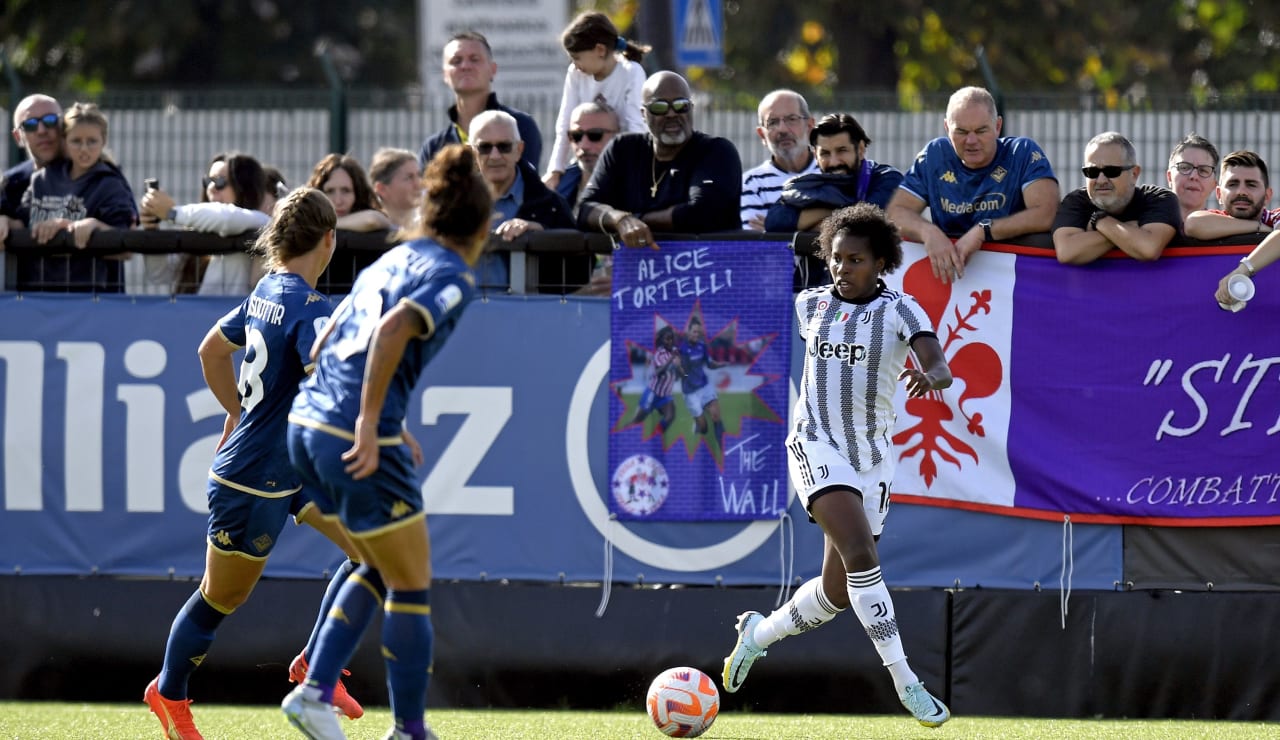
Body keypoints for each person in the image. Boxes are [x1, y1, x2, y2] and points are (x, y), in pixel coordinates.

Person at [280, 144, 493, 740]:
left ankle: (317, 689)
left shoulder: (391, 260)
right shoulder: (451, 273)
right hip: (350, 432)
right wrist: (372, 422)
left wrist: (380, 417)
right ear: (479, 225)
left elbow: (333, 338)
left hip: (308, 424)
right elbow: (395, 327)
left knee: (378, 562)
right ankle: (406, 729)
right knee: (411, 580)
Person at [143, 188, 367, 740]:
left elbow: (210, 351)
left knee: (373, 552)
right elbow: (327, 368)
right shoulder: (312, 308)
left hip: (287, 467)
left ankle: (316, 668)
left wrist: (240, 410)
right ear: (329, 241)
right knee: (222, 597)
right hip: (252, 479)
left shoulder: (269, 289)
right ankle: (168, 692)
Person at [721, 202, 952, 729]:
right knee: (860, 553)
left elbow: (936, 361)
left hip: (870, 460)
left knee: (836, 594)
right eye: (835, 258)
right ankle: (907, 682)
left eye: (854, 260)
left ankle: (756, 635)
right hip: (814, 444)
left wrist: (932, 375)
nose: (841, 269)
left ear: (880, 263)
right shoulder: (811, 306)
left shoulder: (901, 310)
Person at [887, 86, 1059, 284]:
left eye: (981, 130)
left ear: (998, 126)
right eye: (960, 131)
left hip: (1016, 282)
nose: (971, 141)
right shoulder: (934, 155)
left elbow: (1047, 213)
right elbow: (896, 212)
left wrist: (984, 230)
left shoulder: (1021, 152)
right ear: (946, 128)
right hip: (954, 282)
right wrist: (929, 232)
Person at [577, 71, 742, 248]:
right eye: (659, 107)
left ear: (691, 109)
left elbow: (701, 213)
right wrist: (620, 219)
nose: (671, 114)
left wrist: (636, 220)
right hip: (639, 271)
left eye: (681, 105)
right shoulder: (622, 148)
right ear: (643, 114)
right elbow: (586, 209)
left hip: (708, 268)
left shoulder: (716, 150)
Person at [765, 113, 904, 287]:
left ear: (860, 149)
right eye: (825, 153)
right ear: (815, 155)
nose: (834, 162)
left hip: (872, 295)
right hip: (816, 292)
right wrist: (840, 213)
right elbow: (774, 221)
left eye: (842, 151)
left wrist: (810, 222)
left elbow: (864, 226)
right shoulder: (808, 185)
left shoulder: (887, 179)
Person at [17, 101, 137, 292]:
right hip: (37, 295)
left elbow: (127, 247)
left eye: (92, 141)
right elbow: (21, 221)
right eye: (76, 141)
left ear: (104, 141)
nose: (84, 149)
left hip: (90, 300)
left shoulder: (110, 184)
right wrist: (5, 221)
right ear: (64, 140)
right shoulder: (41, 179)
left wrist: (93, 225)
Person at [139, 152, 276, 295]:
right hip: (197, 315)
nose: (211, 188)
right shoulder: (198, 225)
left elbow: (226, 218)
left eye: (220, 182)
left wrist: (171, 213)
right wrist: (151, 229)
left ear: (245, 188)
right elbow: (159, 275)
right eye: (208, 181)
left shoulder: (261, 221)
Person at [470, 110, 576, 291]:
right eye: (485, 147)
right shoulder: (450, 204)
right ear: (473, 153)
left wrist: (541, 234)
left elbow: (578, 271)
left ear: (519, 150)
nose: (495, 155)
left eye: (504, 146)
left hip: (530, 314)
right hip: (465, 313)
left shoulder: (551, 205)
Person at [543, 11, 648, 190]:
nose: (575, 64)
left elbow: (635, 127)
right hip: (586, 162)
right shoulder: (575, 74)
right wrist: (555, 169)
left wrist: (630, 173)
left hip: (622, 163)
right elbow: (565, 124)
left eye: (577, 58)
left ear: (600, 50)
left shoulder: (631, 72)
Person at [418, 30, 542, 172]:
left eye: (474, 59)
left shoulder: (520, 126)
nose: (465, 66)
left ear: (492, 69)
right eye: (456, 61)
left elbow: (527, 188)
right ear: (445, 75)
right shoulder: (433, 147)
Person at [1052, 131, 1181, 264]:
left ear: (1134, 174)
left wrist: (1100, 223)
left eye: (1111, 171)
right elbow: (1066, 252)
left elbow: (1148, 249)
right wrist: (1128, 228)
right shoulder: (1076, 201)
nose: (1101, 180)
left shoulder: (1159, 199)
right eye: (1092, 172)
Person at [306, 153, 396, 292]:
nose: (338, 200)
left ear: (357, 193)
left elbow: (372, 220)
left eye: (346, 191)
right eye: (330, 191)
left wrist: (326, 223)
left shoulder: (369, 216)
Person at [740, 89, 819, 231]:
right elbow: (755, 246)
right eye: (773, 122)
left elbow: (844, 237)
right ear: (762, 135)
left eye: (792, 119)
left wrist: (774, 228)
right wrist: (814, 226)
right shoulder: (750, 184)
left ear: (809, 126)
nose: (782, 129)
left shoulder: (833, 173)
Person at [0, 93, 63, 243]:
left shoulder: (99, 175)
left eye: (50, 120)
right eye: (30, 124)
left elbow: (126, 241)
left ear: (64, 124)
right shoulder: (9, 184)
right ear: (18, 137)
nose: (41, 130)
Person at [1184, 150, 1277, 239]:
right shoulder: (1215, 219)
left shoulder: (1275, 218)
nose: (1241, 191)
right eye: (1233, 184)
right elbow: (1192, 224)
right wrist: (1259, 227)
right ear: (1219, 194)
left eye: (1251, 185)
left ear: (1267, 196)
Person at [555, 101, 621, 208]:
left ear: (617, 136)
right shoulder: (555, 191)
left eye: (595, 135)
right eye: (576, 136)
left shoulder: (634, 191)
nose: (584, 145)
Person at [678, 315, 727, 453]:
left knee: (716, 415)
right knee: (704, 429)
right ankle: (698, 423)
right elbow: (681, 373)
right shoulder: (682, 349)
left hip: (704, 386)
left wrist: (719, 365)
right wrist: (684, 375)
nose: (696, 335)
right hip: (690, 392)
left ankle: (724, 450)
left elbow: (709, 364)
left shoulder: (701, 346)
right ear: (688, 331)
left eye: (699, 332)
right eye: (694, 332)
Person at [630, 325, 680, 435]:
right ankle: (626, 435)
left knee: (670, 416)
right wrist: (671, 361)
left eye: (672, 338)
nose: (671, 341)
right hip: (653, 393)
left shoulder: (675, 352)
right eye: (668, 338)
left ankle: (656, 436)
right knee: (637, 420)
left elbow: (678, 376)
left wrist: (679, 368)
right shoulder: (658, 353)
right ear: (662, 340)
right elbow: (659, 372)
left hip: (666, 395)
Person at [1215, 225, 1280, 309]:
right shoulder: (1216, 215)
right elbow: (1193, 224)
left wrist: (1242, 270)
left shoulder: (1273, 216)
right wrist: (1258, 226)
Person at [1165, 133, 1219, 222]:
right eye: (1185, 168)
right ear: (1169, 177)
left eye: (1203, 170)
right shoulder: (1145, 225)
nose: (1194, 176)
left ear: (1214, 184)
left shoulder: (1224, 229)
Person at [369, 148, 423, 231]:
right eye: (409, 178)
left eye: (419, 175)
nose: (419, 184)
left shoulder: (427, 230)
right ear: (381, 189)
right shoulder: (372, 234)